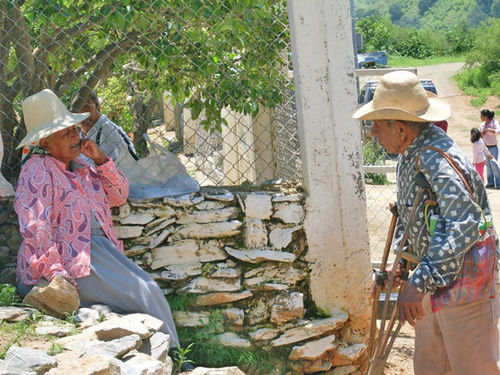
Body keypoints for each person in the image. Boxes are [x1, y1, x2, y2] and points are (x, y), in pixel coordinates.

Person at [14, 89, 194, 371]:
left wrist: (100, 159)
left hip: (98, 252)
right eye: (66, 133)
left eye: (75, 129)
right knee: (147, 291)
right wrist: (55, 273)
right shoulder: (38, 170)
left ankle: (172, 356)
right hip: (71, 259)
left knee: (146, 291)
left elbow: (119, 195)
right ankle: (179, 360)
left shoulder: (84, 165)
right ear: (45, 142)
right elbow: (35, 226)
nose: (76, 136)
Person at [353, 71, 500, 375]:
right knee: (432, 365)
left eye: (377, 125)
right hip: (436, 279)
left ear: (402, 129)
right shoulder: (411, 153)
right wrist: (403, 266)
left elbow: (465, 221)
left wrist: (418, 282)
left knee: (473, 368)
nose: (372, 133)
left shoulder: (435, 158)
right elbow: (416, 218)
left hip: (464, 284)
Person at [75, 90, 138, 164]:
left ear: (98, 108)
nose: (81, 111)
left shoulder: (107, 129)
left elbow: (112, 167)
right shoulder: (78, 134)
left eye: (87, 106)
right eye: (77, 107)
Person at [480, 109, 500, 188]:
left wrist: (489, 130)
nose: (480, 118)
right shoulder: (482, 125)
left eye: (482, 116)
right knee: (488, 166)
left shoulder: (494, 123)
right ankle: (490, 182)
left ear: (486, 117)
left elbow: (499, 131)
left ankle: (498, 183)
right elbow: (480, 135)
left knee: (494, 165)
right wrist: (482, 133)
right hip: (485, 147)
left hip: (493, 147)